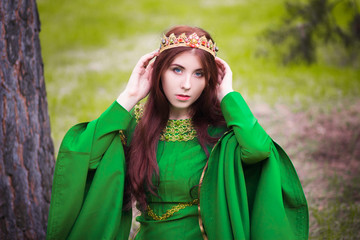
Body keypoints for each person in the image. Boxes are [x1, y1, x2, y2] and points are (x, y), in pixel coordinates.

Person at [46, 26, 309, 240]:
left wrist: (228, 94)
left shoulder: (222, 129)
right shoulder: (136, 124)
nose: (186, 84)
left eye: (199, 74)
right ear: (159, 72)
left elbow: (259, 150)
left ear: (210, 80)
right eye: (177, 70)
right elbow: (85, 156)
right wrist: (129, 97)